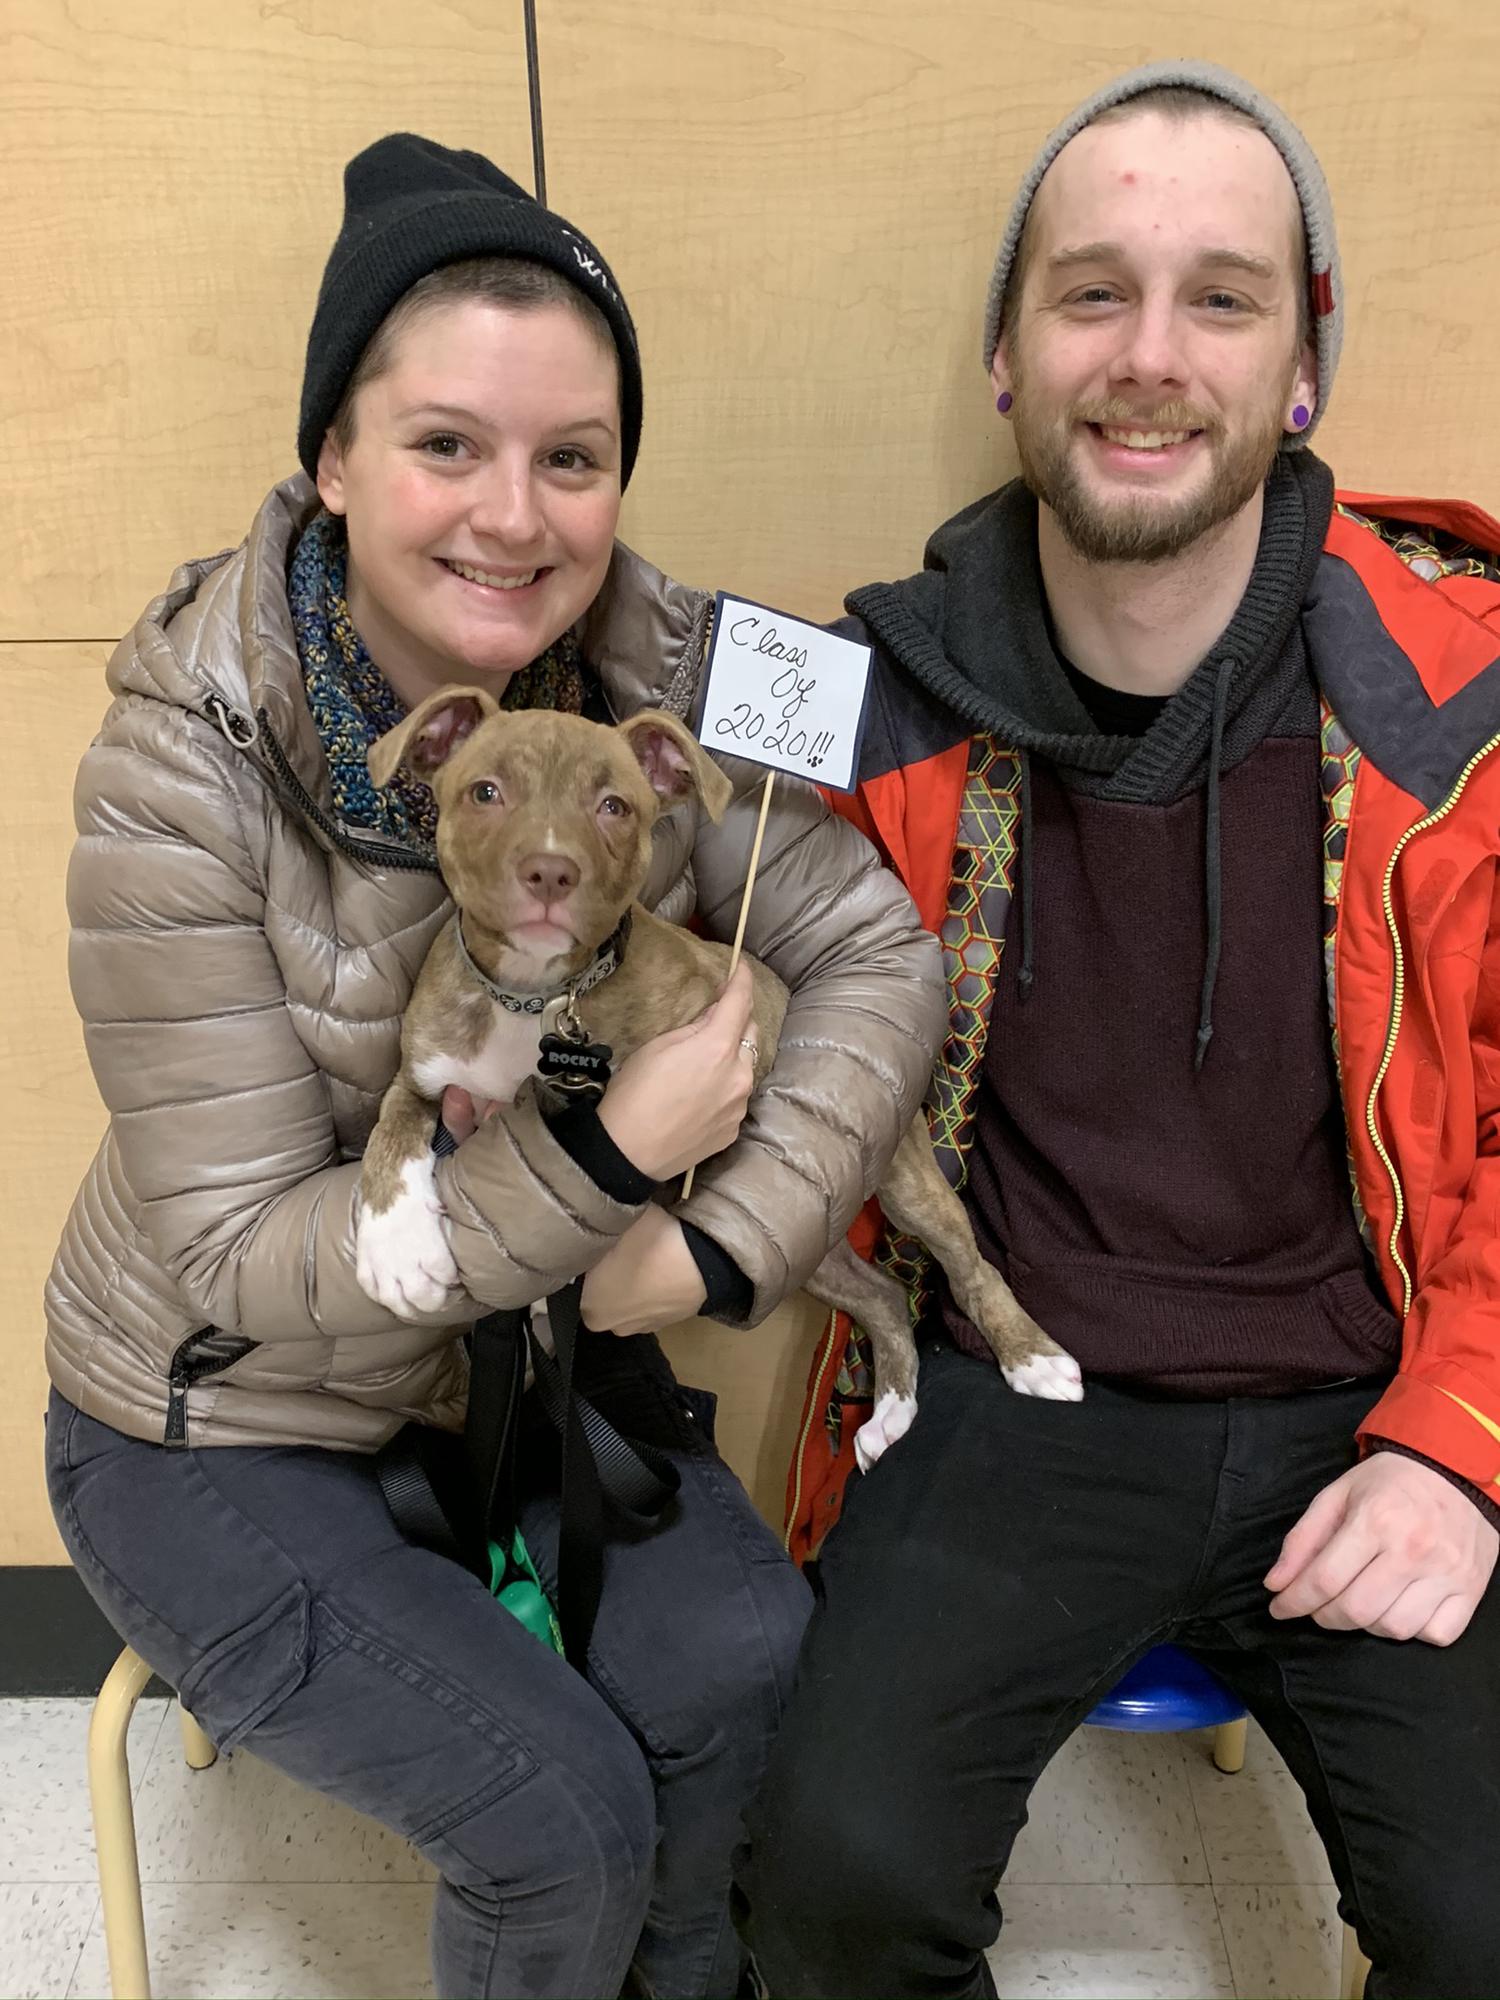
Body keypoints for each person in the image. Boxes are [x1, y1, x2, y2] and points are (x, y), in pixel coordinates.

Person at [43, 134, 944, 2000]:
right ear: (335, 458)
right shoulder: (175, 772)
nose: (514, 517)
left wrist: (716, 1245)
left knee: (743, 1673)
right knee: (563, 1822)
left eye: (574, 457)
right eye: (447, 443)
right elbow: (234, 1259)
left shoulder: (666, 676)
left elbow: (873, 952)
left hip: (522, 1369)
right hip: (227, 1417)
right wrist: (613, 1165)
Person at [738, 60, 1500, 1999]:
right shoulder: (861, 710)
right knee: (826, 1891)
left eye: (1221, 299)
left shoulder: (1465, 700)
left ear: (1302, 365)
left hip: (1376, 1399)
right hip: (1020, 1399)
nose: (1150, 355)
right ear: (1007, 355)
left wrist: (1457, 1444)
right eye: (1091, 293)